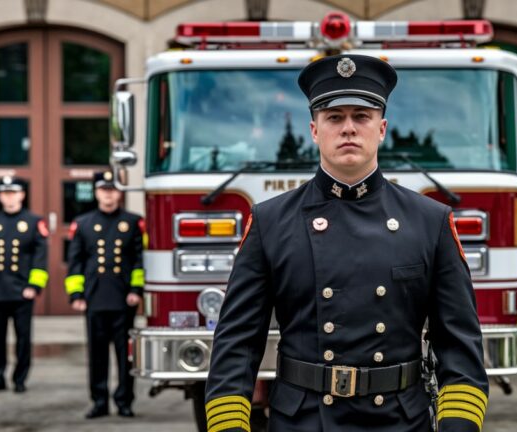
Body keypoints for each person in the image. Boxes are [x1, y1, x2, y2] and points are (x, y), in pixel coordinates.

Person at [204, 55, 489, 432]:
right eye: (334, 117)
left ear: (382, 128)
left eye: (361, 116)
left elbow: (459, 347)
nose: (348, 128)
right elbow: (236, 344)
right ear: (314, 130)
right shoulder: (271, 222)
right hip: (303, 422)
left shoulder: (429, 221)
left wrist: (457, 427)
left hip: (400, 421)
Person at [65, 170, 145, 418]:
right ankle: (99, 401)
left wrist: (136, 290)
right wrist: (76, 294)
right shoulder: (83, 223)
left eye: (112, 189)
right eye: (103, 189)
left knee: (125, 355)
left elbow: (139, 260)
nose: (108, 194)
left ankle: (124, 401)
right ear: (97, 192)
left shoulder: (133, 222)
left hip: (123, 298)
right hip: (95, 297)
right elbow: (75, 262)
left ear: (119, 192)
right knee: (96, 354)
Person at [0, 176, 48, 394]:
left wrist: (33, 286)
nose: (9, 197)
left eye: (13, 193)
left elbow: (40, 257)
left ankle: (20, 378)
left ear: (22, 195)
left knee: (23, 338)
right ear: (0, 196)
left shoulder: (34, 222)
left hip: (23, 291)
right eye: (5, 193)